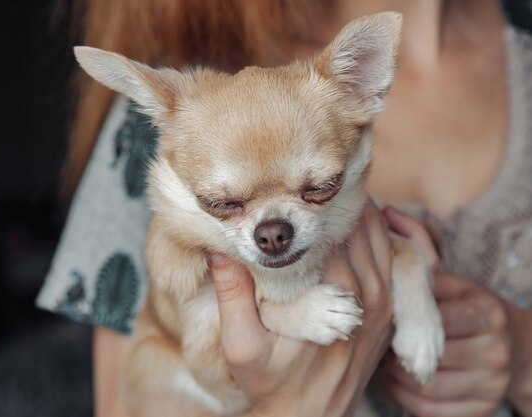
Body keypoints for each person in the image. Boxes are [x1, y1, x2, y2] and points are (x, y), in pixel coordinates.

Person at [36, 0, 532, 416]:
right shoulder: (174, 102)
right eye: (223, 203)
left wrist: (522, 353)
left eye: (318, 186)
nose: (272, 233)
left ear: (366, 80)